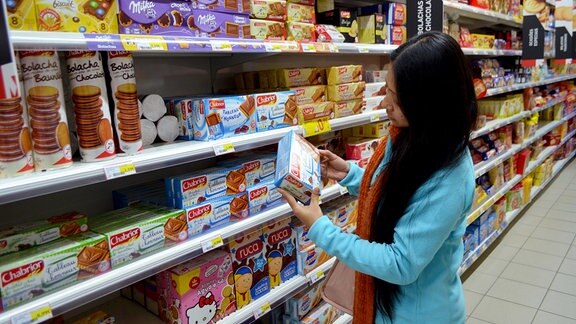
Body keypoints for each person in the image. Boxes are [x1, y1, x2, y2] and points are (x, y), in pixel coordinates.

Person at [278, 31, 477, 324]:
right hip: (384, 306)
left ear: (429, 103)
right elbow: (397, 192)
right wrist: (349, 174)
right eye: (386, 89)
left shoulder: (450, 175)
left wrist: (320, 227)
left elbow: (400, 264)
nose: (385, 103)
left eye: (396, 97)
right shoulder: (411, 136)